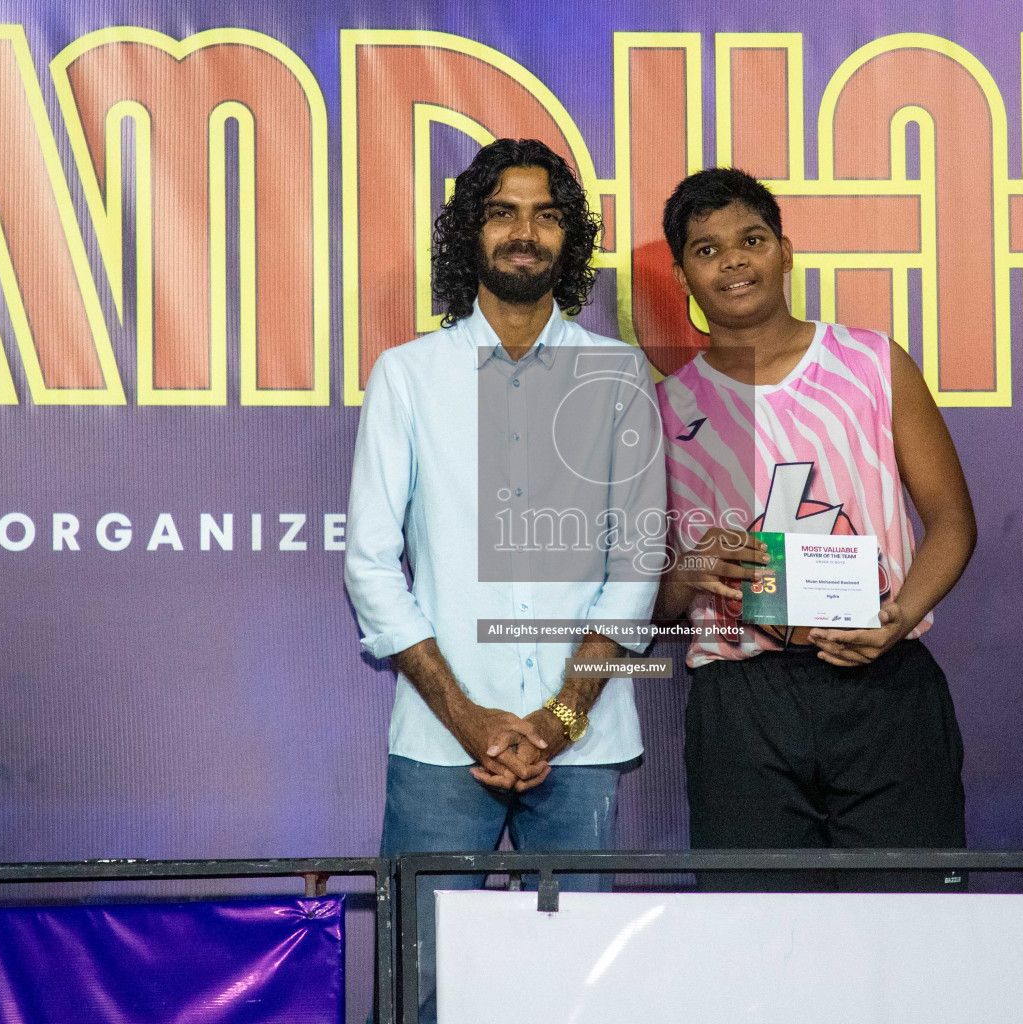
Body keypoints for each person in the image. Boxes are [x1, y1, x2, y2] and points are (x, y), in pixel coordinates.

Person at [345, 139, 663, 1021]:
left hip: (584, 743)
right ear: (470, 233)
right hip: (442, 746)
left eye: (547, 214)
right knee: (418, 990)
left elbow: (637, 561)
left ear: (571, 238)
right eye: (503, 212)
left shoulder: (618, 374)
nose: (524, 233)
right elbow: (371, 564)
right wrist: (469, 719)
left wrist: (560, 721)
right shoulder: (409, 375)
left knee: (580, 995)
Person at [653, 167, 976, 891]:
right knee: (763, 944)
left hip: (884, 683)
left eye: (752, 239)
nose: (734, 260)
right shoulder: (665, 410)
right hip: (741, 702)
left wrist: (901, 618)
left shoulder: (871, 363)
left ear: (786, 251)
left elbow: (953, 521)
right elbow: (649, 604)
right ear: (682, 276)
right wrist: (685, 574)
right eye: (707, 250)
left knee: (910, 930)